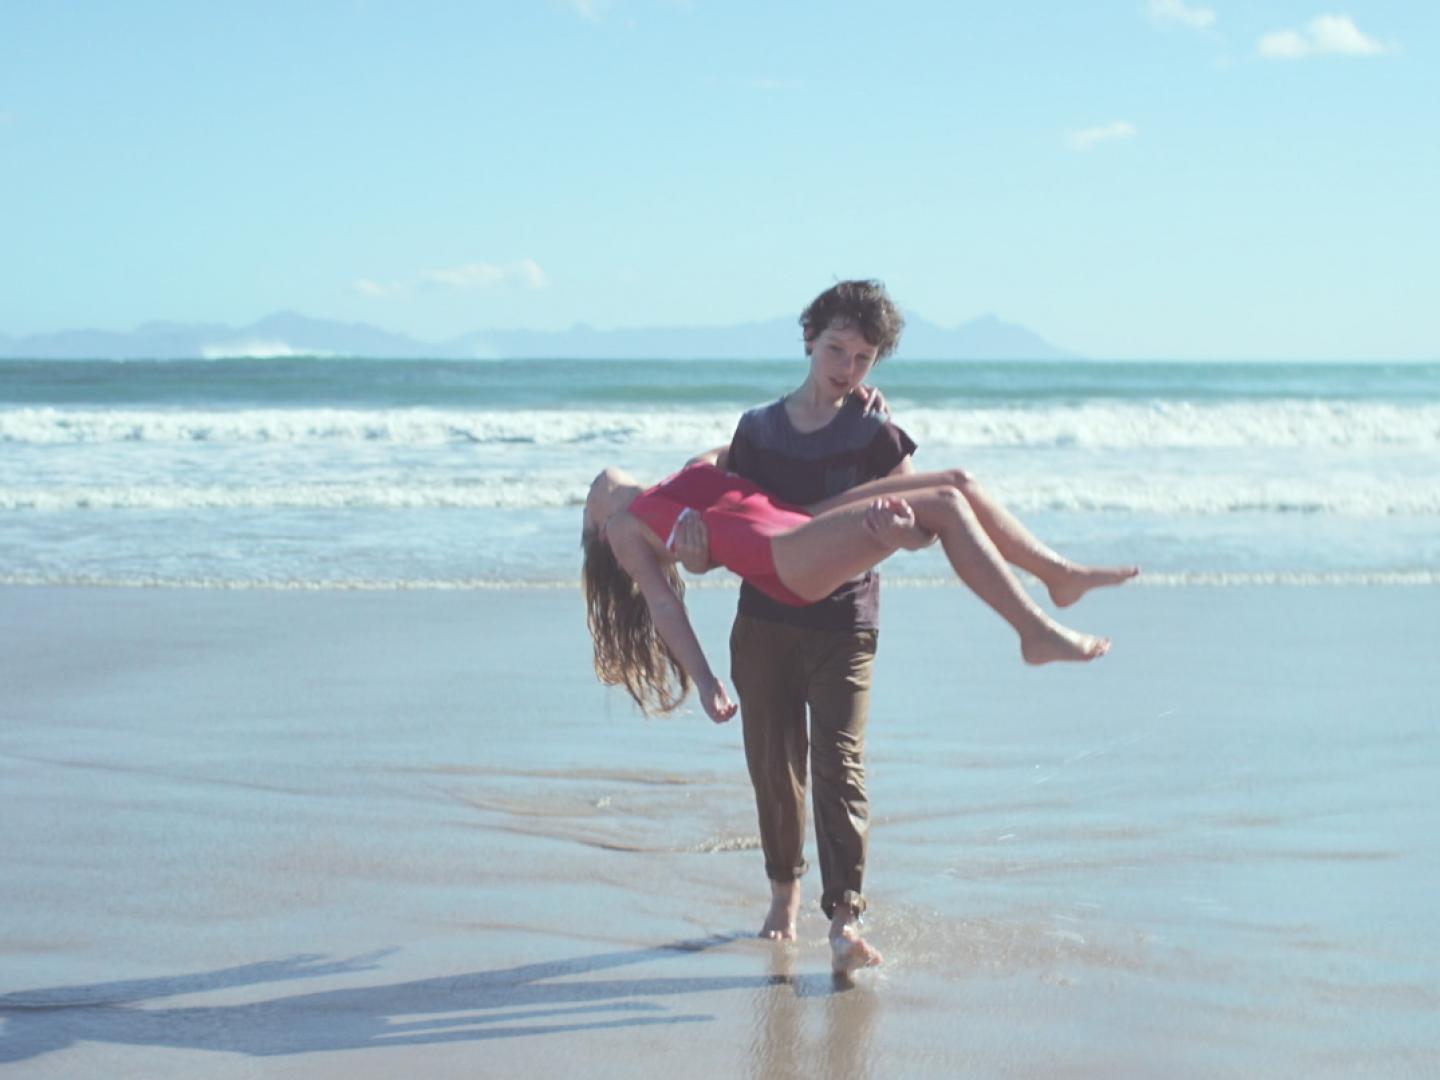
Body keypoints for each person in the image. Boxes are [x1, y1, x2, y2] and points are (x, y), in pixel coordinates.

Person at [581, 459, 1138, 967]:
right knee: (938, 511)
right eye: (587, 510)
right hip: (785, 555)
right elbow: (663, 603)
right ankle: (1034, 633)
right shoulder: (626, 529)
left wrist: (854, 406)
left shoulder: (681, 475)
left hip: (797, 520)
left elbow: (746, 456)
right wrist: (705, 681)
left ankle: (1059, 575)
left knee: (955, 487)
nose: (596, 486)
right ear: (600, 532)